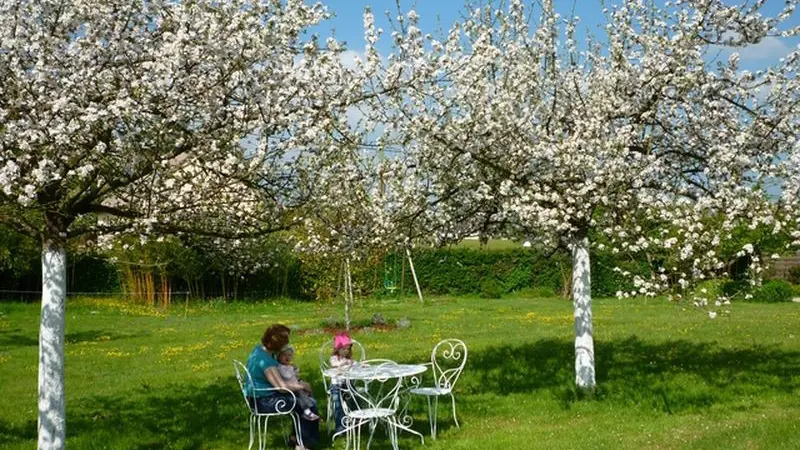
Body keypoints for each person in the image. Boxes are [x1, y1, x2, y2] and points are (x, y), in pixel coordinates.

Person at [246, 324, 320, 450]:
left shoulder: (259, 350)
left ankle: (296, 437)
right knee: (309, 403)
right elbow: (281, 387)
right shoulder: (265, 361)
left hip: (258, 396)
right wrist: (302, 385)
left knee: (305, 400)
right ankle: (303, 445)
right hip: (263, 401)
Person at [276, 344, 320, 421]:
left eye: (289, 355)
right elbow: (287, 376)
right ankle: (307, 412)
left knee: (308, 393)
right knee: (301, 394)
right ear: (279, 356)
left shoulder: (288, 366)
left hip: (294, 385)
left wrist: (295, 372)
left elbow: (295, 377)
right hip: (289, 389)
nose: (287, 357)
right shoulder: (280, 367)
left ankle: (313, 412)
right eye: (284, 355)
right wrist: (292, 370)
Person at [329, 332, 355, 435]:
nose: (346, 351)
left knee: (355, 398)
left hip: (347, 384)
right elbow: (334, 364)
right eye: (343, 349)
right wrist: (343, 363)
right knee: (338, 404)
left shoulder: (348, 360)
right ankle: (340, 428)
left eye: (348, 349)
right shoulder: (335, 359)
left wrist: (359, 364)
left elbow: (355, 364)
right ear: (337, 349)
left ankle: (356, 422)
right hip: (337, 385)